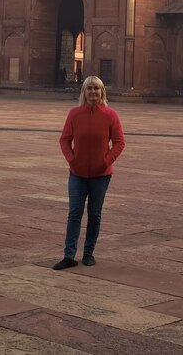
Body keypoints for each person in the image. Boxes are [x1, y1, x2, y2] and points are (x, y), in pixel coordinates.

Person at [53, 76, 125, 270]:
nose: (93, 92)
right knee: (74, 213)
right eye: (89, 88)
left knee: (94, 214)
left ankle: (88, 253)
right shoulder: (75, 114)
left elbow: (119, 142)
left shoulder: (110, 115)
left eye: (96, 88)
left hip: (101, 175)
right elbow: (64, 139)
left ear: (102, 92)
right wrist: (72, 159)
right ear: (84, 92)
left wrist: (106, 161)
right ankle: (69, 255)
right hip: (77, 173)